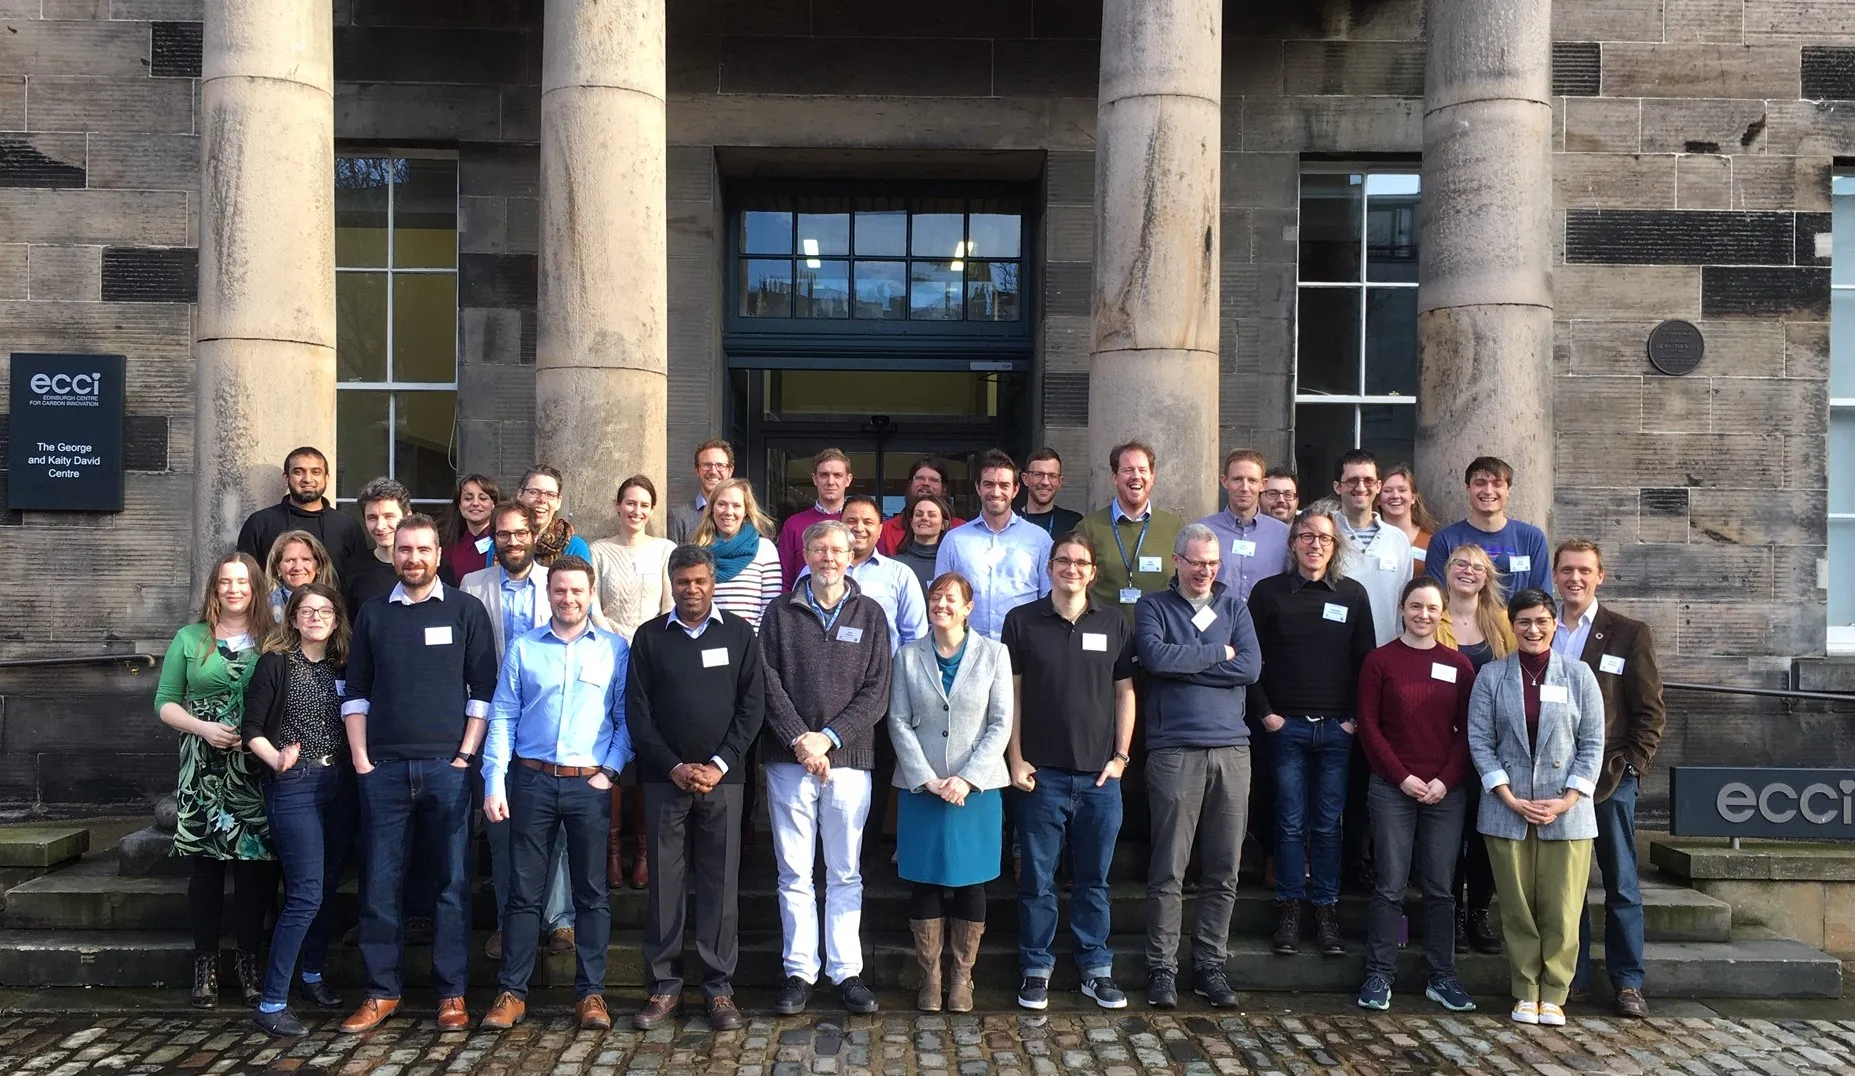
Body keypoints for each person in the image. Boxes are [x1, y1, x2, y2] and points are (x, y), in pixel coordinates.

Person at [338, 515, 498, 1034]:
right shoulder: (372, 615)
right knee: (379, 885)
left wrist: (464, 757)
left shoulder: (466, 610)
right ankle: (382, 992)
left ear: (437, 555)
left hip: (447, 769)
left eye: (423, 550)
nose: (413, 559)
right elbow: (355, 690)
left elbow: (483, 692)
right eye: (404, 550)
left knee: (452, 883)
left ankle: (451, 994)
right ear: (393, 555)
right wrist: (361, 760)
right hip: (382, 769)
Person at [479, 555, 633, 1032]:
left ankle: (591, 995)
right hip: (531, 780)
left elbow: (626, 718)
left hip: (589, 782)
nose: (568, 599)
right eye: (560, 591)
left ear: (591, 596)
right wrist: (494, 779)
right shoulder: (525, 648)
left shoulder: (614, 649)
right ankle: (512, 992)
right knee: (523, 894)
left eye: (577, 592)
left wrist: (609, 772)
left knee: (591, 894)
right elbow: (503, 715)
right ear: (549, 594)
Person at [626, 546, 767, 1032]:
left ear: (713, 582)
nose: (692, 589)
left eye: (700, 581)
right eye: (683, 581)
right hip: (664, 781)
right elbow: (637, 714)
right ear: (672, 582)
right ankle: (664, 987)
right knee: (665, 887)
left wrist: (718, 763)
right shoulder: (649, 638)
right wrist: (672, 767)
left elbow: (752, 708)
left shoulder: (740, 634)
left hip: (724, 782)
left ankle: (718, 988)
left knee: (720, 884)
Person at [761, 520, 894, 1017]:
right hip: (789, 759)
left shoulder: (872, 614)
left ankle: (845, 971)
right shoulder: (779, 613)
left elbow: (877, 689)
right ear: (805, 552)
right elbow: (767, 683)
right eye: (819, 549)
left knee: (844, 872)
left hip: (850, 761)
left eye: (837, 549)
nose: (828, 557)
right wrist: (801, 740)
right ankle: (799, 971)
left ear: (852, 555)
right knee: (793, 871)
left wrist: (829, 738)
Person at [1003, 531, 1136, 1011]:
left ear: (1093, 571)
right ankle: (1036, 967)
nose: (1072, 569)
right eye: (1063, 561)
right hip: (1041, 776)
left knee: (1094, 880)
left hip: (1100, 778)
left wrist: (1121, 757)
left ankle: (1095, 968)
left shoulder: (1115, 622)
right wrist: (1014, 758)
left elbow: (1125, 693)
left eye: (1081, 562)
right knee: (1036, 880)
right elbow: (1011, 697)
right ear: (1050, 567)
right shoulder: (1022, 623)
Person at [1133, 524, 1261, 1010]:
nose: (1205, 570)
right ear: (1177, 561)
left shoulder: (1236, 608)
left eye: (1212, 562)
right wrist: (1216, 654)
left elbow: (1249, 667)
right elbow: (1157, 658)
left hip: (1232, 749)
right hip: (1174, 750)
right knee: (1169, 866)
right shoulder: (1153, 607)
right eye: (1196, 561)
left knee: (1224, 868)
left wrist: (1193, 661)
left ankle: (1210, 964)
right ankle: (1161, 967)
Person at [1468, 588, 1604, 1027]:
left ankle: (1556, 993)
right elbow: (1479, 741)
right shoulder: (1491, 676)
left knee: (1562, 907)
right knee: (1517, 906)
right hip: (1508, 809)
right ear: (1512, 623)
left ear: (1554, 624)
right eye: (1524, 621)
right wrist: (1506, 794)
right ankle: (1526, 990)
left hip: (1566, 811)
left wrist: (1566, 800)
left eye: (1542, 621)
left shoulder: (1579, 675)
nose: (1533, 629)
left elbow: (1593, 744)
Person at [1247, 508, 1375, 956]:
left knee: (1326, 826)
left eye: (1323, 538)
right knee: (1288, 823)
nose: (1314, 544)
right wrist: (1266, 715)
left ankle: (1326, 910)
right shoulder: (1268, 594)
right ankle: (1289, 907)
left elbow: (1367, 664)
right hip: (1286, 729)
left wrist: (1355, 720)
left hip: (1338, 731)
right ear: (1293, 543)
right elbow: (1249, 660)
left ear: (1334, 546)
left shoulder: (1353, 595)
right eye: (1305, 536)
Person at [155, 552, 277, 1010]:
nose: (233, 590)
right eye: (225, 582)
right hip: (202, 766)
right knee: (205, 870)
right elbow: (165, 702)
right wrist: (202, 727)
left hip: (252, 767)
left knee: (253, 871)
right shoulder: (190, 638)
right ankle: (204, 966)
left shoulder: (272, 639)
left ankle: (249, 964)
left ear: (255, 589)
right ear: (214, 589)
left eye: (242, 582)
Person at [1353, 577, 1478, 1014]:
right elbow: (1369, 727)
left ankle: (1442, 976)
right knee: (1389, 884)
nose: (1423, 615)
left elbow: (1469, 732)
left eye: (1431, 608)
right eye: (1415, 606)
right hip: (1392, 788)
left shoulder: (1459, 665)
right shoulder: (1380, 661)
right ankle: (1379, 974)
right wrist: (1402, 777)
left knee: (1442, 888)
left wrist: (1446, 779)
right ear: (1402, 609)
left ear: (1442, 612)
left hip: (1447, 791)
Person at [890, 572, 1012, 1014]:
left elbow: (1000, 723)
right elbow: (897, 721)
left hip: (975, 789)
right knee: (924, 879)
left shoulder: (994, 654)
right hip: (922, 788)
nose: (941, 603)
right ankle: (930, 977)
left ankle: (962, 976)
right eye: (935, 596)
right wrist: (924, 776)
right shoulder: (906, 656)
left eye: (951, 598)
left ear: (968, 607)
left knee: (970, 881)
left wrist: (967, 777)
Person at [458, 501, 575, 963]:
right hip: (492, 719)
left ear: (533, 534)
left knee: (558, 824)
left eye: (519, 533)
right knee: (502, 825)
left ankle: (560, 919)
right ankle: (510, 920)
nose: (512, 541)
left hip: (550, 718)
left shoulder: (557, 582)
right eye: (503, 534)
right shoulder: (472, 585)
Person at [1555, 540, 1665, 1019]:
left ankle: (1628, 982)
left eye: (1584, 571)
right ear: (1554, 576)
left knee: (1620, 883)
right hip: (1558, 781)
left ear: (1600, 576)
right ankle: (1574, 976)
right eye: (1566, 571)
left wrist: (1634, 769)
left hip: (1611, 778)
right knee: (1569, 883)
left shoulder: (1628, 633)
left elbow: (1651, 711)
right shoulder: (1544, 629)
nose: (1574, 579)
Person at [241, 582, 354, 1036]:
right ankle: (271, 1003)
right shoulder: (275, 663)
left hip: (339, 784)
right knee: (305, 893)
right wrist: (277, 759)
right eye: (306, 611)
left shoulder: (342, 665)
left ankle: (311, 975)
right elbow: (251, 727)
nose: (316, 617)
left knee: (325, 886)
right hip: (295, 784)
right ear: (291, 619)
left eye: (325, 610)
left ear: (336, 619)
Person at [589, 475, 676, 891]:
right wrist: (616, 641)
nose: (636, 511)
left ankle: (643, 852)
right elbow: (592, 604)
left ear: (652, 509)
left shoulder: (665, 551)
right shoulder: (598, 550)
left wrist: (645, 643)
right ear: (616, 504)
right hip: (608, 655)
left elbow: (668, 603)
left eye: (644, 504)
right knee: (610, 747)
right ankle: (612, 851)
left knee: (646, 750)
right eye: (629, 503)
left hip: (653, 656)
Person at [1435, 542, 1516, 955]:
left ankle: (1479, 913)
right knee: (1448, 833)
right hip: (1442, 741)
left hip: (1493, 743)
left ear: (1488, 577)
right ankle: (1449, 915)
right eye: (1460, 564)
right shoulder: (1434, 615)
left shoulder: (1502, 622)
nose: (1468, 571)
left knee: (1484, 832)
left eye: (1477, 567)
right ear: (1447, 570)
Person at [934, 450, 1052, 640]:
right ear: (978, 488)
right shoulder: (954, 541)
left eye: (1004, 485)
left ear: (1015, 490)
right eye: (989, 484)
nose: (996, 492)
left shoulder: (1039, 539)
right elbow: (941, 601)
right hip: (967, 649)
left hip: (1023, 648)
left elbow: (1049, 600)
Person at [803, 495, 926, 653]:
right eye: (851, 521)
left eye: (868, 522)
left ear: (880, 530)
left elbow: (914, 639)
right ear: (840, 526)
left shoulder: (901, 575)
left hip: (885, 674)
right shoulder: (815, 569)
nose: (859, 528)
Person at [1078, 441, 1184, 621]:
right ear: (1115, 477)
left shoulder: (1174, 527)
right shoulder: (1089, 528)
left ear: (1152, 476)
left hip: (1160, 635)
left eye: (1142, 470)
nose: (1136, 476)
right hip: (1104, 632)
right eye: (1128, 470)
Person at [1427, 456, 1551, 595]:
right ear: (1468, 488)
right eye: (1480, 483)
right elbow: (1437, 600)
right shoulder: (1443, 541)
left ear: (1508, 490)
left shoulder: (1531, 538)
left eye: (1497, 484)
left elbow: (1542, 599)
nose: (1488, 491)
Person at [236, 445, 369, 568]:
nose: (307, 479)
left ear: (326, 478)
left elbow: (359, 579)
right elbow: (247, 577)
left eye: (316, 472)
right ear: (286, 478)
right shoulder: (260, 523)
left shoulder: (347, 526)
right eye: (299, 472)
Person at [1331, 450, 1414, 646]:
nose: (1360, 487)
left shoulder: (1398, 540)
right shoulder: (1324, 534)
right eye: (1352, 480)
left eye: (1368, 480)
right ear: (1337, 487)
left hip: (1385, 652)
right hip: (1333, 652)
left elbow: (1404, 602)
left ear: (1378, 486)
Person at [1199, 449, 1290, 603]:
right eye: (1237, 479)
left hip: (1266, 624)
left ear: (1263, 484)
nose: (1245, 487)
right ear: (1224, 481)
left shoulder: (1283, 535)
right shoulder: (1203, 531)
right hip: (1217, 623)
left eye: (1252, 480)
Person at [697, 477, 784, 631]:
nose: (728, 512)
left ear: (746, 511)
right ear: (712, 508)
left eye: (736, 505)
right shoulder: (698, 552)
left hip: (751, 644)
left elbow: (771, 606)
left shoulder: (765, 550)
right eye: (722, 504)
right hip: (708, 642)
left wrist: (749, 642)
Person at [777, 448, 853, 589]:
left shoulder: (859, 526)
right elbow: (785, 579)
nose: (831, 481)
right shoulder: (794, 524)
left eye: (837, 475)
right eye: (824, 475)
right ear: (814, 479)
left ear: (847, 480)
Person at [341, 477, 410, 615]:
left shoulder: (431, 566)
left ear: (407, 517)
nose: (380, 526)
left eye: (389, 516)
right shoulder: (353, 568)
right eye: (372, 518)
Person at [877, 456, 966, 555]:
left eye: (933, 480)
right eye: (919, 478)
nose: (926, 483)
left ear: (944, 488)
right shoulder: (886, 530)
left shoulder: (961, 529)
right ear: (910, 484)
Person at [518, 465, 592, 567]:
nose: (542, 500)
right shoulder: (503, 543)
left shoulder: (573, 547)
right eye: (534, 492)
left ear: (558, 502)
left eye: (550, 495)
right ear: (520, 495)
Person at [669, 439, 736, 545]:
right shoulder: (679, 517)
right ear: (697, 470)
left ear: (730, 471)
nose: (713, 471)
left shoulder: (740, 516)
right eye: (706, 465)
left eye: (720, 465)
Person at [440, 473, 503, 585]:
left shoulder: (503, 541)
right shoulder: (449, 546)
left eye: (483, 498)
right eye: (468, 498)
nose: (475, 503)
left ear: (493, 504)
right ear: (459, 504)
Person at [1377, 464, 1439, 570]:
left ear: (1413, 498)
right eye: (1387, 491)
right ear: (1378, 499)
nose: (1395, 496)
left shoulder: (1432, 541)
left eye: (1402, 490)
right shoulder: (1371, 540)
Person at [265, 530, 335, 621]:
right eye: (290, 560)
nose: (298, 567)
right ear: (278, 568)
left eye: (306, 560)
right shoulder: (262, 608)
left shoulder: (334, 605)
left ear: (319, 567)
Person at [1017, 447, 1084, 537]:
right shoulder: (1010, 521)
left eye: (1052, 476)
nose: (1045, 482)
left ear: (1060, 482)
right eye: (1039, 475)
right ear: (1025, 479)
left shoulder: (1074, 523)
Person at [895, 493, 953, 592]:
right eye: (918, 514)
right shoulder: (894, 565)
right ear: (911, 522)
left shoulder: (952, 565)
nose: (924, 518)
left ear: (944, 524)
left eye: (932, 515)